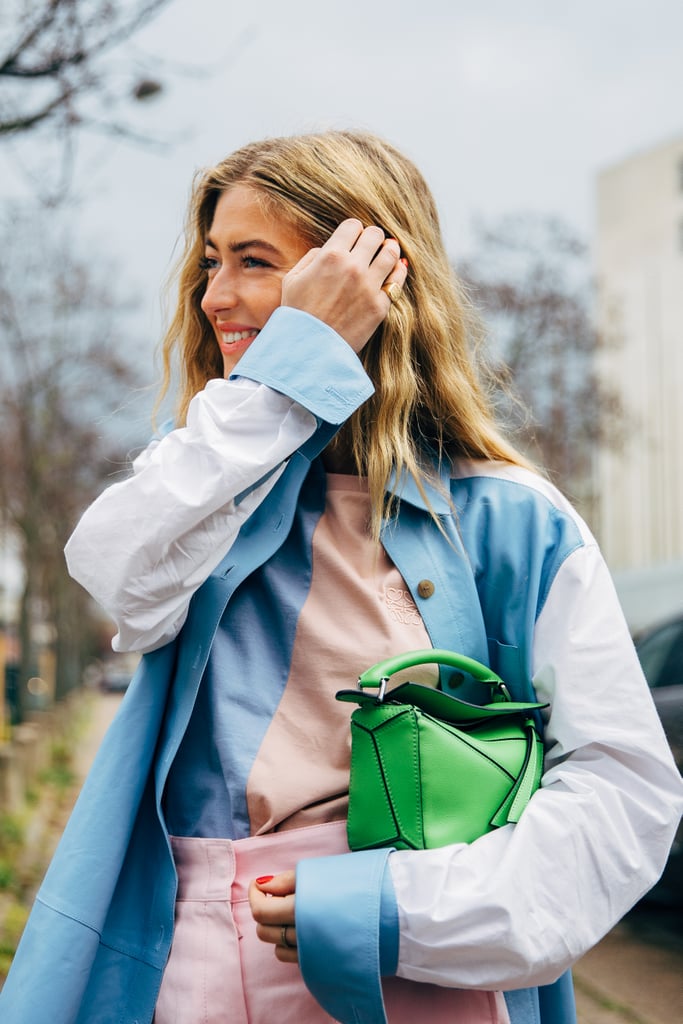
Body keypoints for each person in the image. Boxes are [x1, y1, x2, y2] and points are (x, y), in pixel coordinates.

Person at [2, 130, 681, 1024]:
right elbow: (110, 566)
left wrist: (395, 909)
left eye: (253, 261)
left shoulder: (513, 518)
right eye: (210, 262)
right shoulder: (206, 488)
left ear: (366, 279)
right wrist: (291, 373)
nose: (215, 296)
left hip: (417, 966)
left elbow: (620, 793)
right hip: (186, 960)